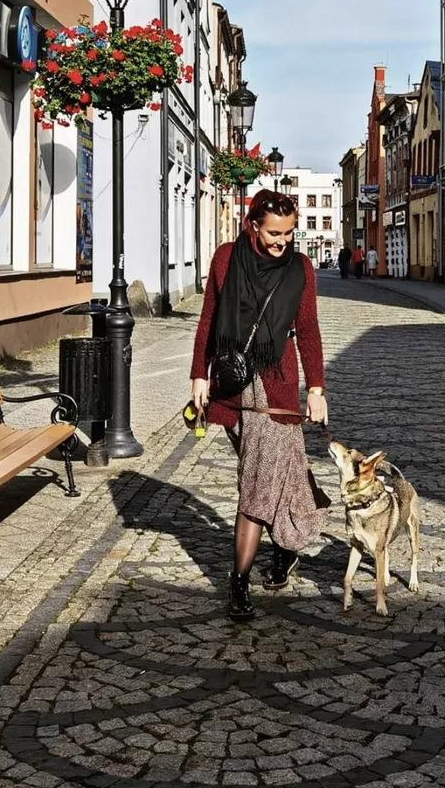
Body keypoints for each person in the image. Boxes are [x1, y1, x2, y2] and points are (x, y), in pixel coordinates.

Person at [190, 190, 329, 622]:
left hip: (276, 389)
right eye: (273, 232)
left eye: (288, 233)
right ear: (252, 224)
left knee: (256, 485)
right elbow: (209, 319)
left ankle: (237, 582)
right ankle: (286, 551)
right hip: (230, 388)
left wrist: (317, 388)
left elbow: (307, 331)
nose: (280, 241)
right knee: (271, 473)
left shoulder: (300, 268)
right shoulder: (226, 258)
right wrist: (199, 373)